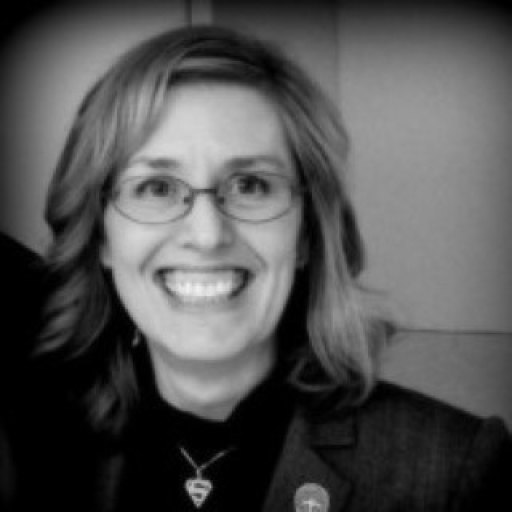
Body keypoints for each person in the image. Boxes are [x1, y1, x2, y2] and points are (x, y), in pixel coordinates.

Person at [2, 24, 511, 512]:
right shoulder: (42, 449)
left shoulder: (456, 470)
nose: (207, 235)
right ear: (101, 238)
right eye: (156, 188)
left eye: (251, 185)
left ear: (307, 233)